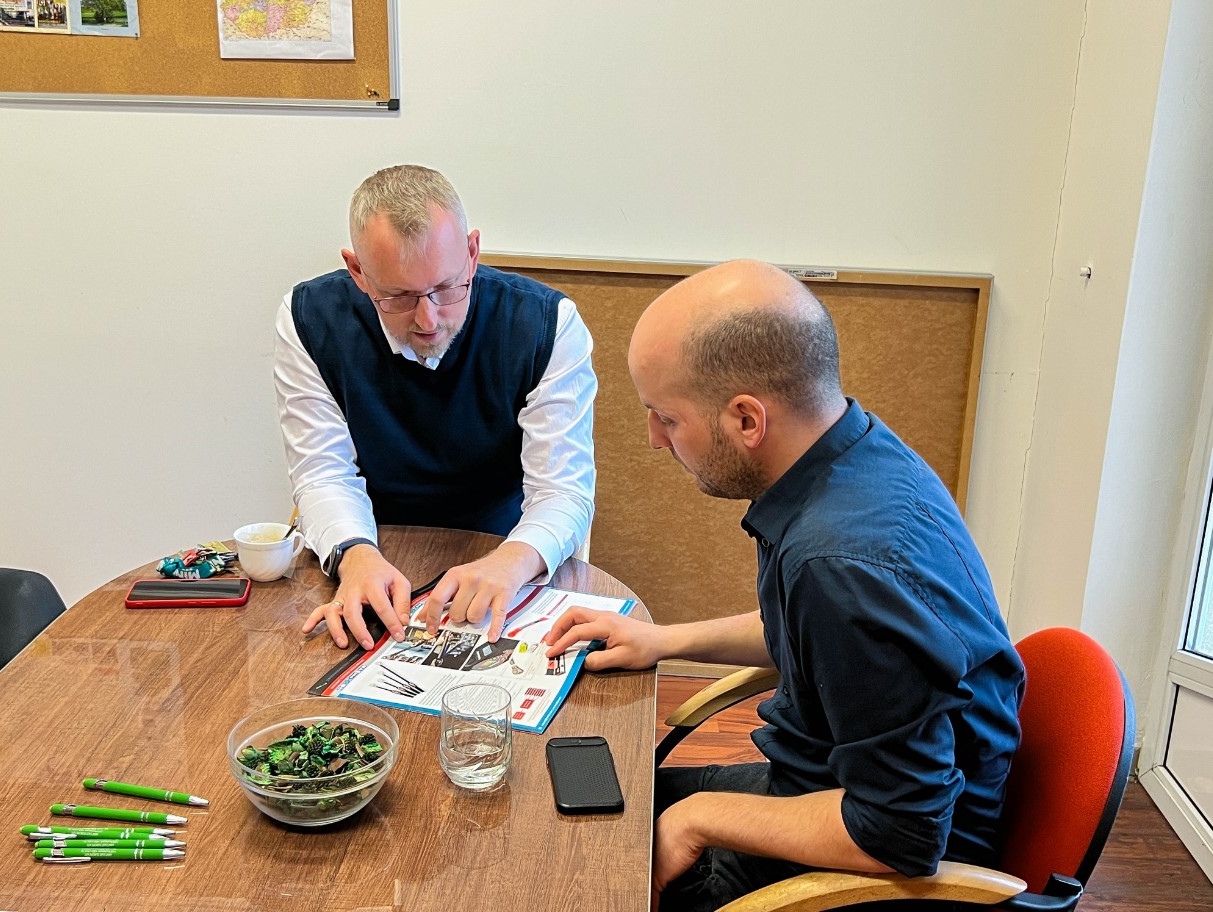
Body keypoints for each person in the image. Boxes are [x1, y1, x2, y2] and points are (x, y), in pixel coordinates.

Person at [546, 260, 1025, 912]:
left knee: (576, 871)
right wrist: (660, 640)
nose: (655, 440)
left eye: (666, 417)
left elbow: (901, 833)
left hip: (881, 861)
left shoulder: (840, 564)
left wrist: (698, 819)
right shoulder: (855, 457)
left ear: (747, 419)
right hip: (832, 784)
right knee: (591, 805)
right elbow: (808, 633)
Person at [275, 165, 597, 650]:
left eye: (446, 288)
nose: (428, 319)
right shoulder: (308, 320)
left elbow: (563, 489)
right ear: (358, 272)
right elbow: (323, 473)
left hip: (506, 544)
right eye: (398, 296)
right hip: (368, 545)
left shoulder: (544, 325)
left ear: (472, 253)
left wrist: (511, 560)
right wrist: (356, 555)